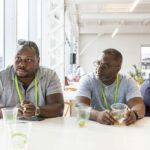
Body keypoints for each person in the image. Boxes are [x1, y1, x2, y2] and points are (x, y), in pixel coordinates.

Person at [75, 48, 145, 125]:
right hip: (95, 126)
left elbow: (138, 104)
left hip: (120, 125)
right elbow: (80, 106)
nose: (99, 69)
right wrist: (97, 115)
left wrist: (134, 114)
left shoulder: (128, 81)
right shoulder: (88, 80)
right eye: (98, 63)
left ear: (117, 69)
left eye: (105, 66)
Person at [0, 40, 64, 119]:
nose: (22, 64)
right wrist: (13, 111)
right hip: (10, 128)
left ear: (38, 61)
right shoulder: (2, 77)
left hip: (43, 129)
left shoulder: (50, 76)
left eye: (28, 60)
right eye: (18, 58)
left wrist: (36, 110)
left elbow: (59, 108)